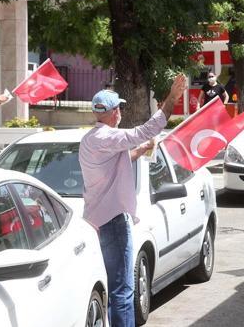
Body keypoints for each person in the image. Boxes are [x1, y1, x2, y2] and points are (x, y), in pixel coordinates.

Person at [79, 74, 187, 327]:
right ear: (113, 112)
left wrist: (141, 149)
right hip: (114, 221)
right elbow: (149, 128)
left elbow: (117, 162)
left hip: (99, 218)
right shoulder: (108, 137)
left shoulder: (90, 140)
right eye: (119, 108)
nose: (120, 112)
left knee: (116, 285)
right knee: (123, 289)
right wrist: (172, 98)